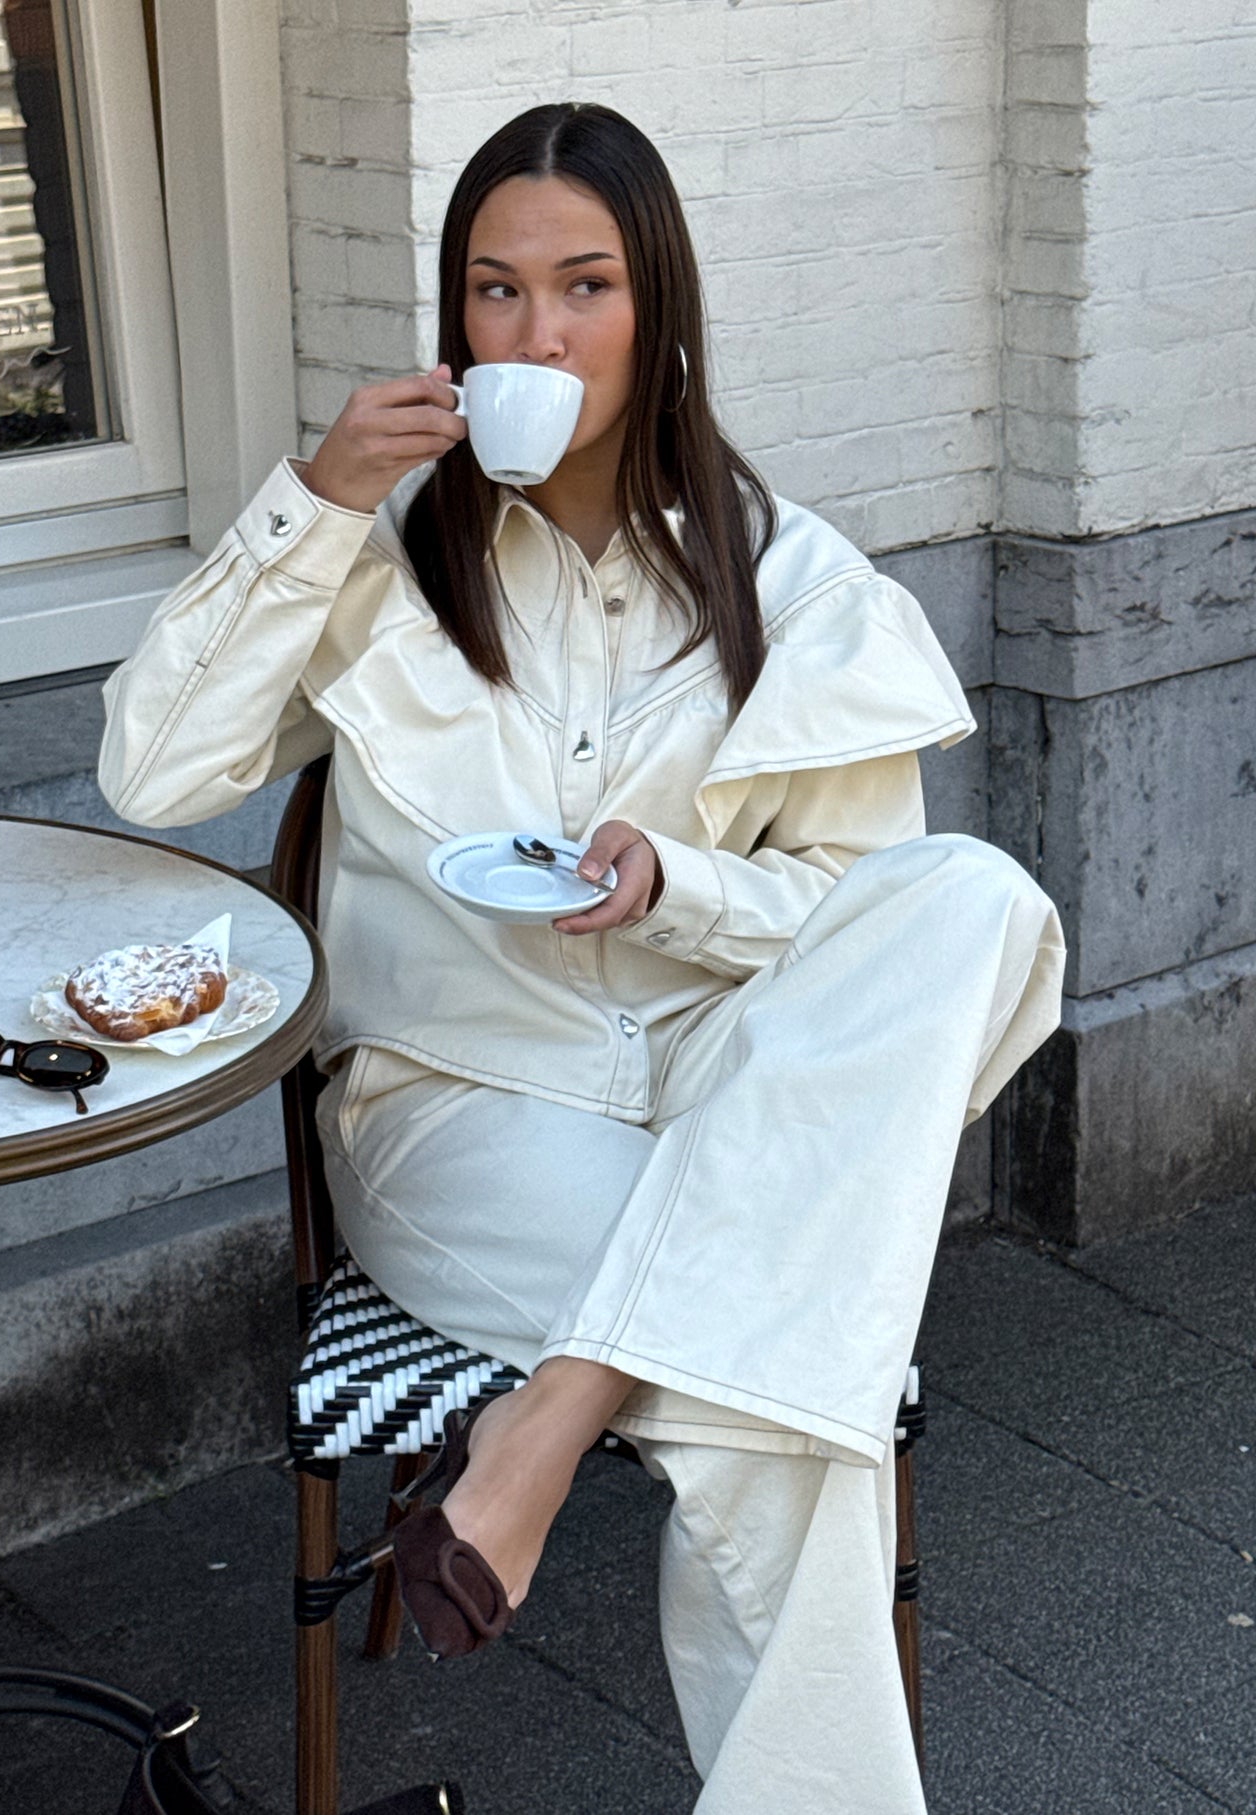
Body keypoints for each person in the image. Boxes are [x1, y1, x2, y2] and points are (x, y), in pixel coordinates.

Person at [100, 102, 1065, 1815]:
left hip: (724, 1077)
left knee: (979, 899)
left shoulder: (795, 584)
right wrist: (310, 501)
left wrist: (683, 890)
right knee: (785, 1403)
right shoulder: (377, 556)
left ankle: (537, 1431)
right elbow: (154, 770)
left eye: (584, 286)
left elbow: (860, 931)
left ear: (660, 305)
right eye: (492, 291)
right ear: (452, 315)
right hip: (459, 1104)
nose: (535, 336)